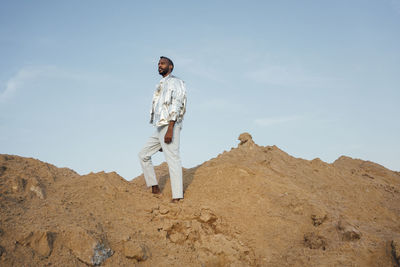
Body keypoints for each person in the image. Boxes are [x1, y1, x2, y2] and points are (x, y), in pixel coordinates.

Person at [138, 56, 187, 202]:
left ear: (170, 67)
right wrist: (160, 138)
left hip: (170, 125)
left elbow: (177, 104)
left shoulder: (176, 82)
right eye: (159, 63)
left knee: (173, 159)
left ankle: (177, 196)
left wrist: (171, 128)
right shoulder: (160, 83)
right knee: (143, 154)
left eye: (163, 63)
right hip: (160, 126)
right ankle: (154, 186)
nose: (160, 65)